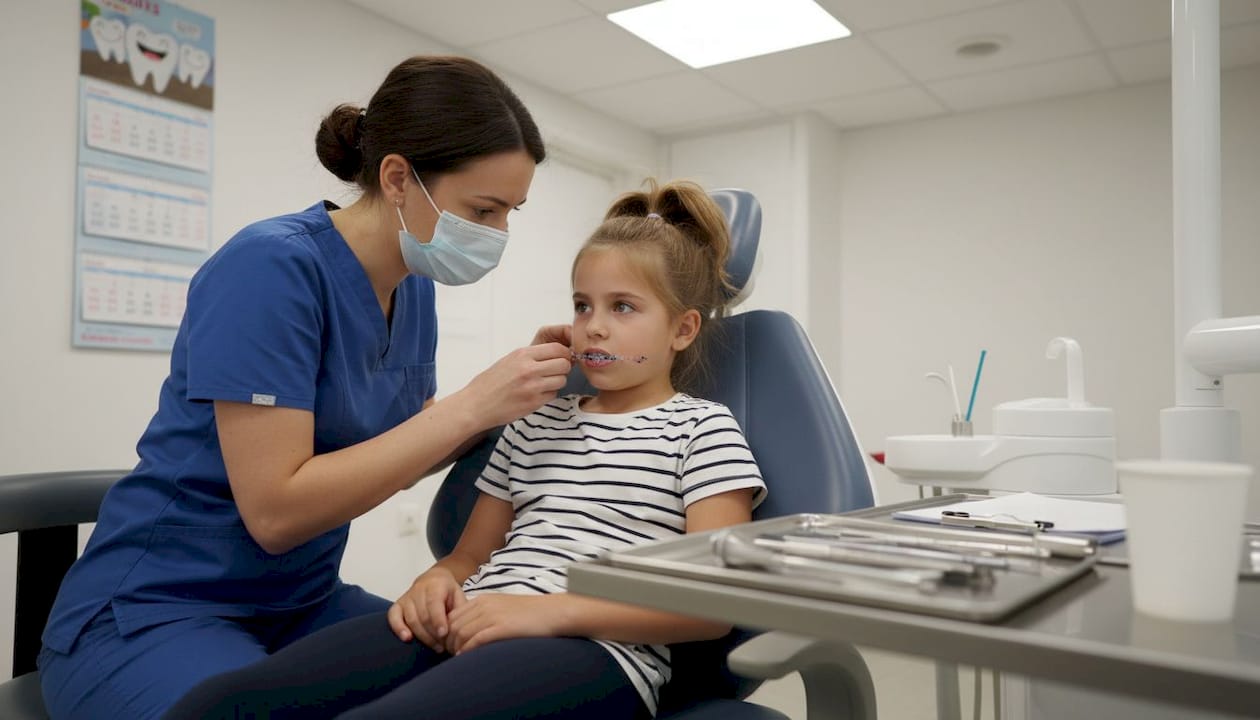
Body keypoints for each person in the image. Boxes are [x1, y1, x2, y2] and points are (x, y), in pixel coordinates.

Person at [38, 56, 575, 720]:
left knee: (488, 678)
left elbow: (394, 447)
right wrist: (473, 404)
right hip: (160, 610)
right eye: (483, 210)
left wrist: (509, 410)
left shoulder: (414, 289)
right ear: (399, 177)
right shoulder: (271, 267)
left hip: (303, 602)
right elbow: (276, 513)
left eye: (510, 213)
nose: (497, 236)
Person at [163, 179, 768, 720]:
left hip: (595, 651)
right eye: (583, 305)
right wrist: (434, 581)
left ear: (683, 329)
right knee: (225, 704)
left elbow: (709, 608)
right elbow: (469, 557)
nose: (594, 327)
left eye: (623, 308)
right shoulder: (535, 421)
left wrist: (549, 612)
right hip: (473, 618)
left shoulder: (702, 430)